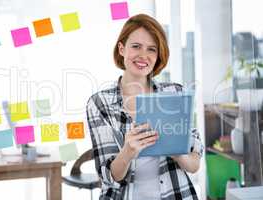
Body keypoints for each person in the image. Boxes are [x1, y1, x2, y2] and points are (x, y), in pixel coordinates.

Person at [86, 13, 204, 200]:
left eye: (151, 49)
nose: (143, 55)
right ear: (122, 49)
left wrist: (177, 152)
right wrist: (128, 151)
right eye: (136, 46)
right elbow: (109, 176)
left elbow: (194, 164)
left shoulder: (175, 93)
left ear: (158, 56)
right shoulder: (100, 103)